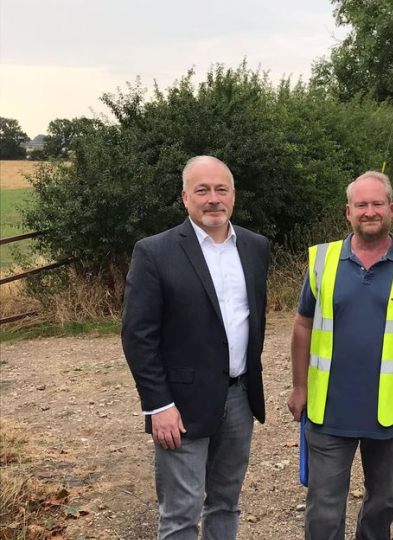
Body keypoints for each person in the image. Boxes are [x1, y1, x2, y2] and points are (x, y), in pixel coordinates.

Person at [288, 171, 393, 540]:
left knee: (383, 503)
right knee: (324, 507)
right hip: (329, 410)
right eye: (361, 205)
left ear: (392, 209)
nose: (369, 211)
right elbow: (302, 326)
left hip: (392, 412)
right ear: (348, 212)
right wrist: (299, 387)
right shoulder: (322, 260)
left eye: (377, 204)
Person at [121, 156, 270, 540]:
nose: (213, 198)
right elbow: (139, 335)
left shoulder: (255, 247)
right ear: (185, 197)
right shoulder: (155, 252)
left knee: (225, 502)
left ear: (233, 195)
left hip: (239, 398)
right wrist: (158, 406)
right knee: (180, 513)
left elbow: (252, 320)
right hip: (180, 407)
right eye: (202, 190)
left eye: (221, 189)